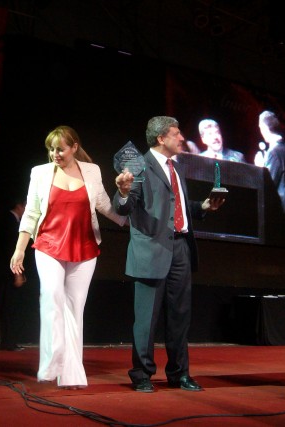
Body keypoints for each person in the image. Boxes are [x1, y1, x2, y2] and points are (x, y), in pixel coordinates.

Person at [113, 116, 225, 393]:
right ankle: (141, 375)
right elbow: (123, 208)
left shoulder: (176, 168)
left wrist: (204, 207)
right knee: (146, 320)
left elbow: (179, 207)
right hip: (151, 250)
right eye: (176, 134)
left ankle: (179, 374)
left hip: (181, 249)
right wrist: (123, 192)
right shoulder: (138, 166)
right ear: (161, 139)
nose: (181, 138)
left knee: (180, 317)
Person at [10, 125, 127, 388]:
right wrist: (19, 248)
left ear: (74, 147)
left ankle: (72, 374)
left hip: (84, 247)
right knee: (51, 295)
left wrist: (130, 219)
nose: (55, 154)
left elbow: (105, 205)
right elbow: (30, 213)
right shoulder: (40, 173)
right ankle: (52, 361)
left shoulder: (91, 171)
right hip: (48, 245)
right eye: (51, 149)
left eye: (60, 149)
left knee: (75, 309)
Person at [0, 196, 35, 351]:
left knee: (8, 308)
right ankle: (7, 342)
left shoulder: (11, 221)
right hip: (7, 272)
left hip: (6, 271)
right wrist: (17, 274)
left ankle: (7, 341)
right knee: (8, 308)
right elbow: (9, 250)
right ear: (20, 206)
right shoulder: (9, 222)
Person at [258, 110, 285, 240]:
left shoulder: (273, 152)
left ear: (265, 128)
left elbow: (268, 186)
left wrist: (261, 167)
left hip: (284, 217)